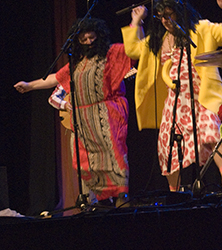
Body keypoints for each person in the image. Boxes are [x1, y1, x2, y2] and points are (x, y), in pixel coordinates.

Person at [121, 0, 222, 192]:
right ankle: (175, 192)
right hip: (174, 101)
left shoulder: (201, 29)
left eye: (169, 15)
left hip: (200, 95)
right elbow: (132, 50)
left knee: (210, 132)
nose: (166, 21)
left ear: (180, 13)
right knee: (168, 147)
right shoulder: (158, 41)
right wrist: (136, 21)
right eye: (161, 17)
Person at [14, 17, 134, 205]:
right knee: (88, 162)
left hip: (107, 114)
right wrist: (30, 85)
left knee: (113, 155)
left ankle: (121, 198)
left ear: (99, 36)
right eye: (83, 40)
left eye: (92, 38)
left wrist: (136, 22)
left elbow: (132, 50)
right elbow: (55, 78)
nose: (88, 43)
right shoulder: (78, 63)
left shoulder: (112, 53)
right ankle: (101, 202)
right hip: (84, 119)